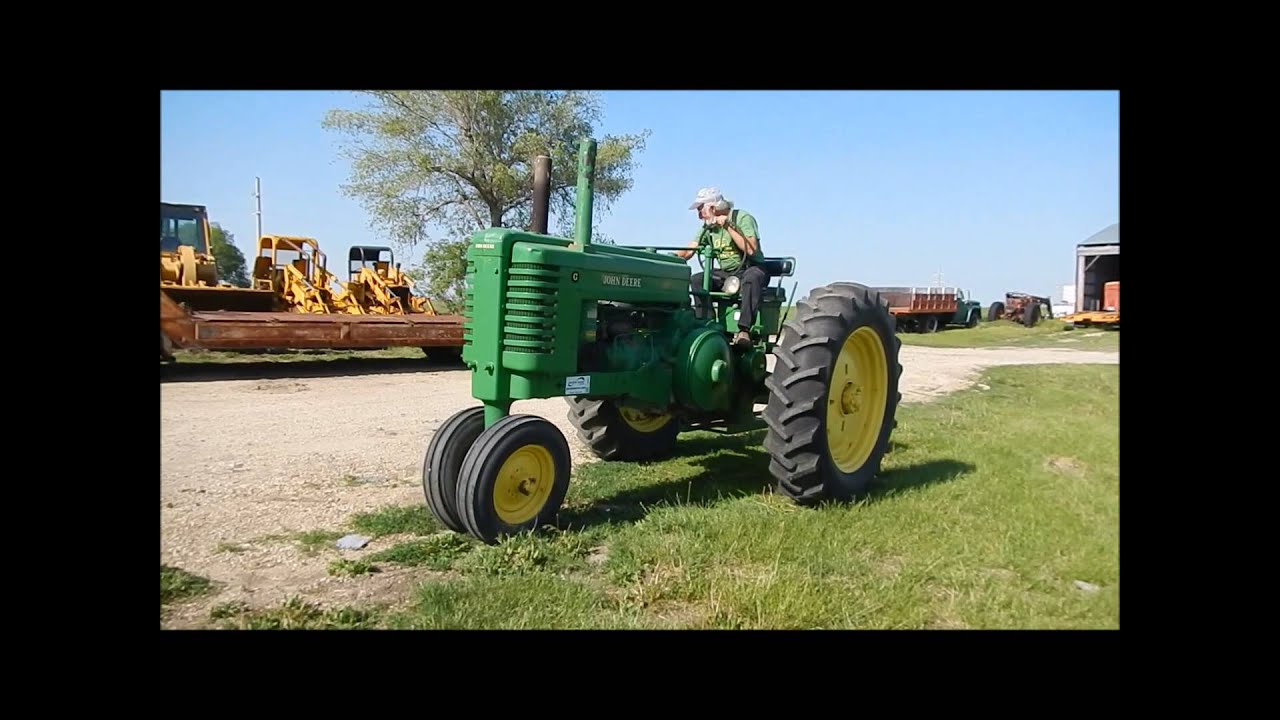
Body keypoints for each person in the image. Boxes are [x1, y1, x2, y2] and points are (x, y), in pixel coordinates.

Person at [674, 186, 767, 348]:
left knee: (752, 277)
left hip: (750, 267)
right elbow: (690, 249)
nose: (699, 215)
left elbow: (751, 249)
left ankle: (744, 330)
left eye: (701, 209)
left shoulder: (742, 218)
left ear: (713, 207)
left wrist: (727, 226)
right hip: (727, 273)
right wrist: (672, 258)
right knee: (697, 280)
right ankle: (707, 324)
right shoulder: (709, 227)